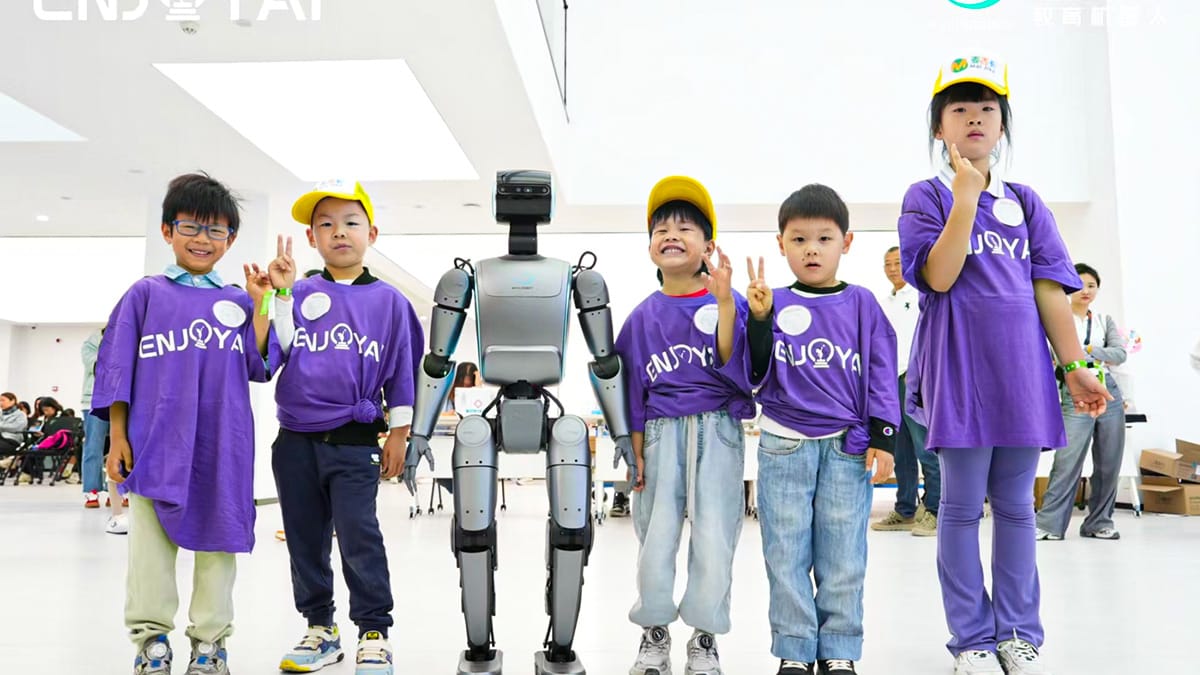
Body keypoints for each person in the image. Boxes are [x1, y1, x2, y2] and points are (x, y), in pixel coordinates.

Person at [898, 56, 1111, 675]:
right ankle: (971, 638)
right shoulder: (927, 196)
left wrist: (1074, 364)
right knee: (961, 508)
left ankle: (1018, 633)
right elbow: (938, 275)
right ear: (940, 127)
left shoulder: (1026, 201)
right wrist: (965, 202)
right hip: (959, 372)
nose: (974, 119)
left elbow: (1050, 289)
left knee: (1018, 508)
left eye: (987, 109)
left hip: (1020, 375)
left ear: (1002, 124)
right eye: (959, 109)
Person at [93, 172, 271, 675]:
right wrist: (118, 437)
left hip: (223, 445)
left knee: (219, 546)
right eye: (190, 226)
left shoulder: (239, 301)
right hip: (155, 444)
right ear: (167, 231)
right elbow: (116, 370)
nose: (202, 239)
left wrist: (260, 304)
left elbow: (257, 363)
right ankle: (151, 641)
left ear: (231, 240)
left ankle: (211, 644)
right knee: (148, 553)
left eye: (216, 231)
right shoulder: (144, 295)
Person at [722, 184, 897, 675]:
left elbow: (883, 370)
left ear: (847, 241)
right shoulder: (769, 301)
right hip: (783, 445)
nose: (812, 250)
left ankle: (839, 647)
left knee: (844, 554)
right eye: (799, 240)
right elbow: (753, 371)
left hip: (846, 447)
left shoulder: (863, 304)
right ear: (781, 244)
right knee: (785, 552)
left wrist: (884, 437)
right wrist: (758, 321)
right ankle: (795, 651)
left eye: (824, 238)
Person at [268, 180, 423, 675]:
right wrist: (283, 296)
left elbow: (403, 370)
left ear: (371, 232)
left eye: (351, 223)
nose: (339, 233)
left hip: (355, 443)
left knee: (360, 535)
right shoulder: (300, 292)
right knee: (304, 537)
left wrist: (399, 432)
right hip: (294, 439)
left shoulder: (391, 302)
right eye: (326, 224)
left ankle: (374, 631)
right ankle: (320, 628)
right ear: (312, 237)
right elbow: (280, 352)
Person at [617, 176, 755, 675]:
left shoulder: (730, 302)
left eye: (685, 227)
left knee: (715, 537)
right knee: (655, 538)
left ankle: (704, 637)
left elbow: (736, 363)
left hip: (717, 430)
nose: (671, 234)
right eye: (661, 228)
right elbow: (632, 392)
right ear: (650, 245)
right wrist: (635, 452)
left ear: (708, 245)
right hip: (658, 433)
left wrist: (722, 303)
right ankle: (654, 633)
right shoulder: (640, 317)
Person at [1036, 263, 1127, 541]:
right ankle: (1049, 524)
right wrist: (1090, 354)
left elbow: (1119, 354)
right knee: (1067, 459)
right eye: (1079, 284)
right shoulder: (1056, 317)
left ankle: (1099, 522)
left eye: (1091, 285)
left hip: (1107, 388)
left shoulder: (1103, 319)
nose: (1085, 291)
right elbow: (1052, 354)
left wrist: (1086, 350)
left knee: (1109, 460)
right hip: (1071, 389)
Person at [872, 246, 941, 536]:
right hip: (889, 383)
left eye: (897, 263)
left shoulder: (922, 296)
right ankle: (905, 510)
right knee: (899, 452)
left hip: (917, 379)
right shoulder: (883, 302)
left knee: (926, 449)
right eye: (887, 264)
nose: (892, 268)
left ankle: (936, 510)